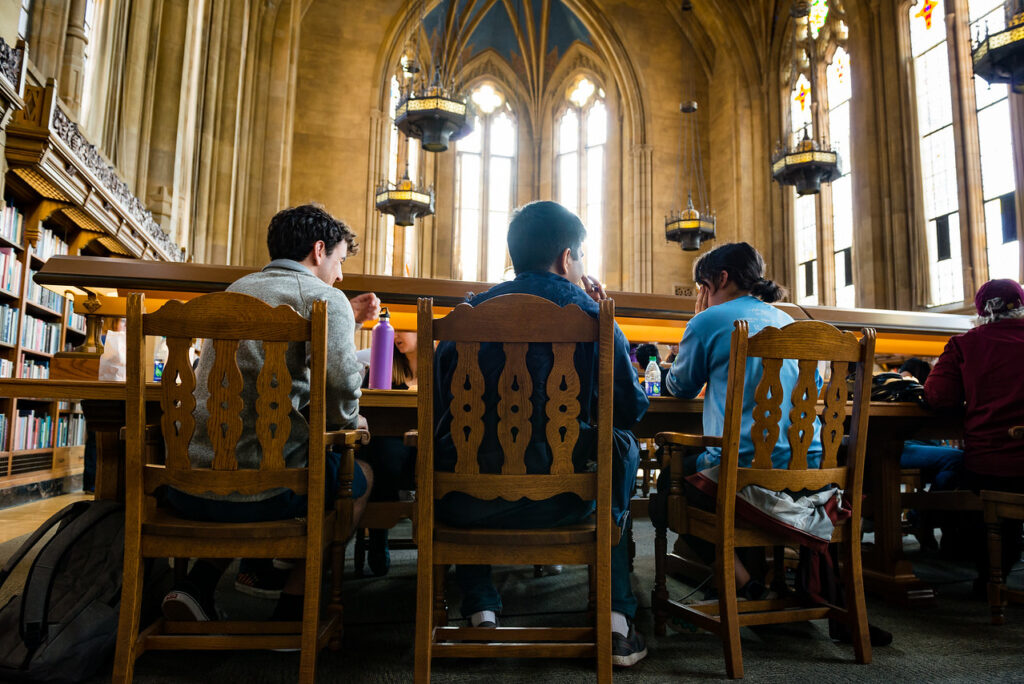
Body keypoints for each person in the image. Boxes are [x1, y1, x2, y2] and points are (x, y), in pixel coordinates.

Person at [432, 201, 650, 667]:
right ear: (567, 257)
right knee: (621, 444)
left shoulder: (463, 317)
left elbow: (440, 411)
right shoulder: (594, 315)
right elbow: (631, 409)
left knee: (464, 444)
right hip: (565, 502)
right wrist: (603, 316)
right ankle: (615, 619)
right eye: (581, 256)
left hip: (465, 504)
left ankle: (480, 607)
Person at [160, 203, 381, 622]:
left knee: (248, 461)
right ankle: (292, 612)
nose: (340, 275)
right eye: (340, 261)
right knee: (359, 477)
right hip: (269, 493)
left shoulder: (233, 292)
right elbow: (340, 385)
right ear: (319, 250)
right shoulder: (325, 298)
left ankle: (196, 586)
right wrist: (350, 422)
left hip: (187, 485)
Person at [655, 241, 818, 599]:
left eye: (702, 285)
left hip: (739, 471)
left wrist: (695, 326)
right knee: (706, 466)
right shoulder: (790, 322)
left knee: (667, 488)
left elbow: (680, 388)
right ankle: (755, 576)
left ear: (721, 278)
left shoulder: (708, 320)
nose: (702, 295)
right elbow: (814, 388)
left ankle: (743, 583)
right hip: (805, 469)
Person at [923, 278, 1024, 585]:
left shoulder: (965, 344)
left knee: (957, 484)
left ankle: (988, 577)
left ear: (980, 312)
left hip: (992, 465)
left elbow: (938, 396)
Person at [359, 331, 418, 576]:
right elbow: (364, 410)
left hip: (424, 442)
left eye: (405, 328)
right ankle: (378, 535)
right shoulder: (382, 364)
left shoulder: (440, 366)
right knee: (383, 452)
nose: (397, 334)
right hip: (387, 446)